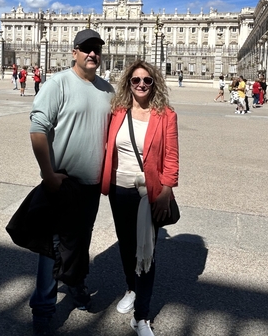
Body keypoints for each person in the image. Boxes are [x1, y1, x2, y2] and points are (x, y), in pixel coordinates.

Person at [28, 29, 114, 335]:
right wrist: (47, 174)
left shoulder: (107, 90)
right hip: (62, 181)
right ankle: (43, 308)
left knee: (80, 240)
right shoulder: (58, 84)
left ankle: (76, 283)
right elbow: (38, 129)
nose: (93, 54)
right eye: (87, 49)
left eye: (97, 49)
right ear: (74, 52)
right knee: (52, 247)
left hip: (91, 185)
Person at [101, 60, 179, 336]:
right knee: (126, 246)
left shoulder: (166, 114)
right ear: (128, 84)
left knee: (147, 252)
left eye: (147, 80)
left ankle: (142, 316)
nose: (142, 84)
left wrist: (166, 191)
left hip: (149, 193)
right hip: (119, 190)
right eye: (136, 80)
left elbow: (171, 156)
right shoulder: (117, 112)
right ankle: (132, 288)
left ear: (154, 83)